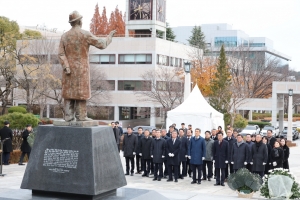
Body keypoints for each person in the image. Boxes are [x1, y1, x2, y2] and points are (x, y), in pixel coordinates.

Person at [58, 11, 116, 121]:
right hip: (81, 69)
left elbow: (61, 53)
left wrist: (66, 66)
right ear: (79, 21)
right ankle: (81, 116)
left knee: (69, 93)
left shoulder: (64, 36)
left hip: (68, 70)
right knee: (81, 93)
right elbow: (102, 44)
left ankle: (68, 116)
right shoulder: (85, 34)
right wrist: (109, 37)